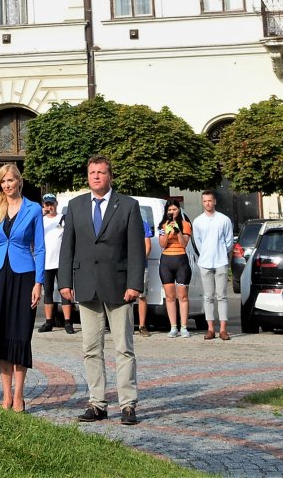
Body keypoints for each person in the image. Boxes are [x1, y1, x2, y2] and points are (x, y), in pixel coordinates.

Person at [59, 154, 147, 426]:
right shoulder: (75, 206)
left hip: (119, 287)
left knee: (124, 348)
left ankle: (128, 404)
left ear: (110, 176)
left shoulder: (129, 206)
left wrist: (135, 284)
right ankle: (97, 403)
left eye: (101, 172)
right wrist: (64, 282)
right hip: (85, 284)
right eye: (92, 172)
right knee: (91, 348)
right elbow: (67, 247)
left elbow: (136, 249)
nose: (96, 176)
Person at [0, 164, 43, 413]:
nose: (7, 185)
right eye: (3, 181)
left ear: (19, 181)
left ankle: (18, 396)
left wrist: (39, 282)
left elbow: (40, 248)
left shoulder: (33, 209)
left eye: (11, 180)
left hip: (23, 275)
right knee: (0, 334)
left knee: (19, 335)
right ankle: (5, 396)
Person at [190, 191, 234, 342]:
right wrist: (206, 254)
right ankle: (210, 328)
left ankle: (223, 329)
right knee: (208, 296)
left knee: (221, 296)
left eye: (210, 200)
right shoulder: (198, 221)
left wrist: (221, 252)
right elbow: (198, 241)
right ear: (202, 203)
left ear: (215, 202)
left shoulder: (224, 220)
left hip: (220, 260)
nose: (207, 203)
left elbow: (229, 241)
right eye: (205, 201)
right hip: (205, 262)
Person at [38, 194, 74, 333]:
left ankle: (67, 322)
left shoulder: (63, 219)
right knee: (47, 292)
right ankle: (48, 322)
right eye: (46, 204)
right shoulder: (40, 221)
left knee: (65, 291)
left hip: (61, 262)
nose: (49, 207)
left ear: (56, 204)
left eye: (51, 204)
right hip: (45, 263)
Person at [156, 201, 192, 338]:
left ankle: (184, 326)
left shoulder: (186, 225)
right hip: (166, 261)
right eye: (170, 209)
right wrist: (167, 231)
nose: (172, 212)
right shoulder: (162, 225)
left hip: (181, 260)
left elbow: (184, 244)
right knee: (170, 296)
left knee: (182, 295)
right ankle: (173, 327)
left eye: (175, 209)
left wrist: (177, 231)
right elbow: (162, 244)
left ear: (179, 210)